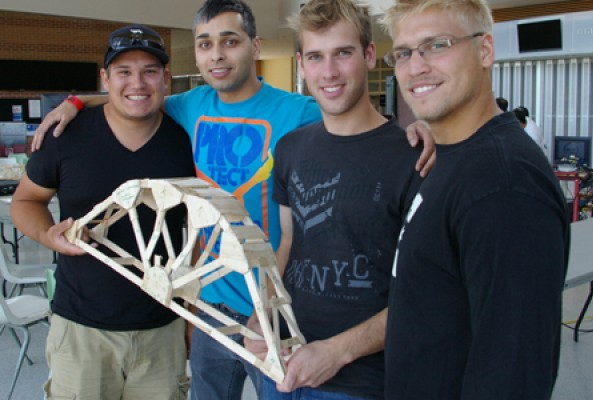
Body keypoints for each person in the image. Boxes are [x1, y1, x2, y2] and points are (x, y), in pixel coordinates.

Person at [31, 1, 435, 399]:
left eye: (230, 41)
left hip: (275, 312)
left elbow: (350, 115)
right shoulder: (188, 106)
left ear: (255, 47)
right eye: (204, 44)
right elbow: (134, 95)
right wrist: (76, 102)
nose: (217, 55)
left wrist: (417, 126)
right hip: (209, 309)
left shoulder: (299, 113)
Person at [381, 1, 569, 399]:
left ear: (484, 50)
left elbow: (513, 376)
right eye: (404, 53)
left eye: (437, 45)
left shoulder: (504, 184)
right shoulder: (448, 156)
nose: (416, 67)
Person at [245, 0, 422, 399]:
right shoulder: (289, 149)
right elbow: (290, 244)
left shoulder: (413, 156)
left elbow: (424, 292)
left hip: (360, 381)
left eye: (343, 53)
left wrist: (337, 353)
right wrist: (265, 311)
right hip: (285, 363)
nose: (329, 72)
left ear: (370, 55)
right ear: (301, 64)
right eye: (316, 56)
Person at [10, 25, 196, 399]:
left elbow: (194, 236)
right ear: (105, 78)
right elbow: (25, 201)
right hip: (81, 331)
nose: (137, 83)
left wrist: (189, 318)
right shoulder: (67, 136)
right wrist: (47, 235)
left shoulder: (186, 139)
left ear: (165, 78)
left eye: (149, 71)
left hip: (162, 330)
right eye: (124, 72)